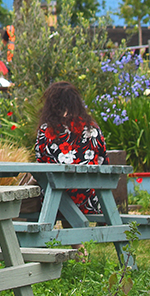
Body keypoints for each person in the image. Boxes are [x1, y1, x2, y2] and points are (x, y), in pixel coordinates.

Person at [35, 81, 107, 214]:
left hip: (55, 201)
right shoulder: (92, 129)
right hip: (88, 198)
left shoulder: (46, 131)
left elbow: (40, 162)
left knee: (49, 188)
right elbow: (103, 160)